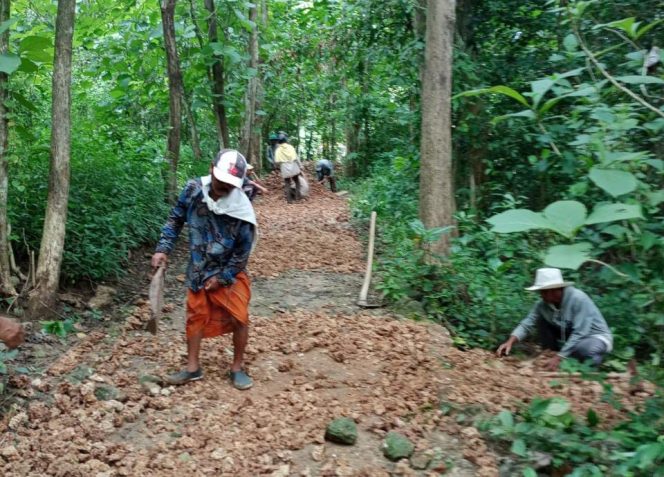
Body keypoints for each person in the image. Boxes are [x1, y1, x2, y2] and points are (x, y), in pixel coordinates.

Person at [151, 149, 257, 389]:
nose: (224, 188)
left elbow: (243, 251)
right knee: (195, 317)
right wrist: (163, 248)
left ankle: (237, 367)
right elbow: (176, 219)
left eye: (230, 185)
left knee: (240, 317)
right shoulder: (192, 190)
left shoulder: (242, 208)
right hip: (199, 267)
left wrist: (224, 277)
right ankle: (192, 368)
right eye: (221, 182)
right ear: (212, 169)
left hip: (230, 270)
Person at [496, 268, 612, 371]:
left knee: (584, 349)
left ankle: (591, 368)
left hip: (595, 337)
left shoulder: (578, 299)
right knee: (542, 320)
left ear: (553, 290)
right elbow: (527, 323)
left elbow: (581, 332)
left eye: (543, 292)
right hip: (571, 336)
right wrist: (509, 342)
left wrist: (560, 357)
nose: (541, 295)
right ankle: (550, 355)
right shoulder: (542, 305)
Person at [274, 132, 302, 203]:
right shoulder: (291, 147)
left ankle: (289, 200)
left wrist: (276, 168)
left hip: (284, 167)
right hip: (293, 165)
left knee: (287, 183)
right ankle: (297, 198)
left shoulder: (278, 149)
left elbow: (276, 161)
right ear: (286, 139)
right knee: (297, 181)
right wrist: (300, 165)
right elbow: (296, 157)